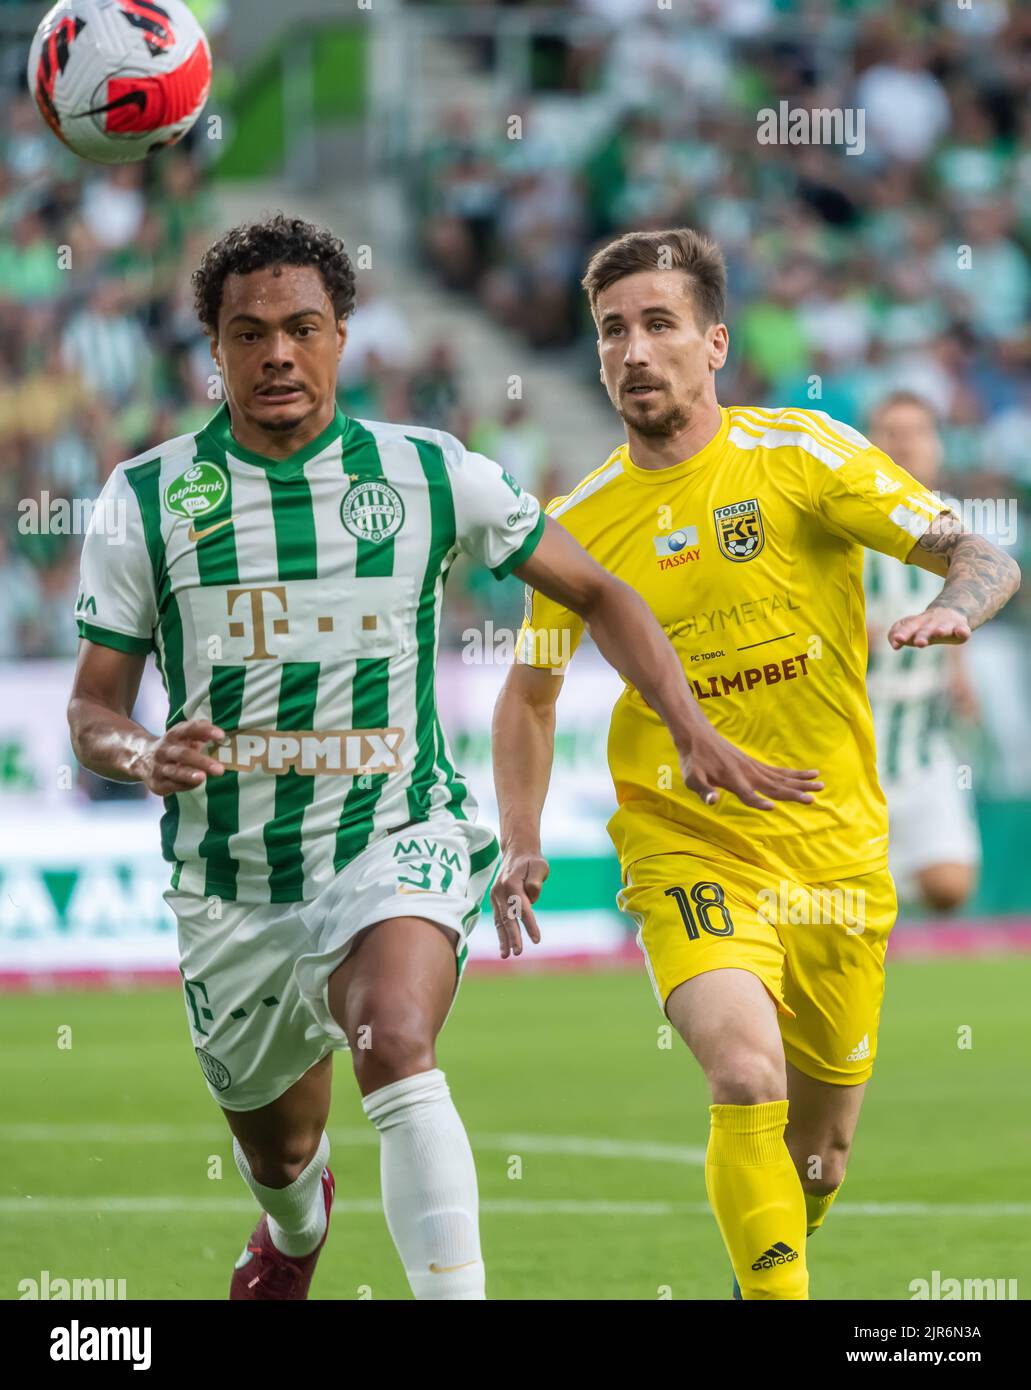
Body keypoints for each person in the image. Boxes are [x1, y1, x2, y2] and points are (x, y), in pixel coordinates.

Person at [66, 213, 815, 1302]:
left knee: (395, 1037)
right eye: (248, 332)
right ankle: (293, 1221)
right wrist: (141, 753)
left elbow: (599, 588)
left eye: (302, 328)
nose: (277, 352)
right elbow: (92, 708)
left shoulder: (428, 473)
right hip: (229, 889)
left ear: (341, 337)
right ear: (214, 349)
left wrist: (692, 723)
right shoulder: (145, 498)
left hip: (394, 837)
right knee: (280, 1156)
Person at [491, 227, 1019, 1300]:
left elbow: (981, 551)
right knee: (741, 1069)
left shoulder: (801, 454)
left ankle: (763, 1262)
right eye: (610, 332)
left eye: (656, 324)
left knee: (817, 1159)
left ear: (713, 341)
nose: (632, 352)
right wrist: (521, 838)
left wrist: (949, 610)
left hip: (833, 849)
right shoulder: (573, 526)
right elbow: (529, 694)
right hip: (685, 836)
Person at [864, 391, 981, 911]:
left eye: (916, 432)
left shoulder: (953, 524)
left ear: (936, 444)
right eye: (892, 432)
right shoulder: (850, 523)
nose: (905, 443)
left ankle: (878, 891)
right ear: (870, 443)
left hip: (922, 737)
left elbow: (956, 605)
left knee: (950, 887)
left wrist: (960, 675)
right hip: (854, 739)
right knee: (842, 904)